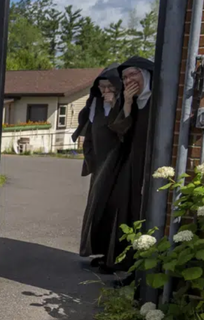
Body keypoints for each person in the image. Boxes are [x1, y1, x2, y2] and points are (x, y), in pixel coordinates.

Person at [101, 56, 154, 277]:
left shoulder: (158, 100)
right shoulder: (131, 102)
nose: (129, 80)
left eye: (133, 74)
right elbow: (121, 131)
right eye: (125, 77)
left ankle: (142, 272)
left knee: (147, 216)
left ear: (146, 75)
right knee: (126, 212)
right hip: (133, 162)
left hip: (150, 166)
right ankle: (126, 265)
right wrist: (128, 104)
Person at [73, 63, 125, 269]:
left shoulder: (122, 104)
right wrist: (89, 159)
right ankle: (97, 251)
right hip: (100, 165)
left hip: (117, 163)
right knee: (96, 208)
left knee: (112, 209)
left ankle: (112, 258)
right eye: (102, 87)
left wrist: (114, 105)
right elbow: (89, 133)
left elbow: (122, 130)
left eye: (109, 87)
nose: (105, 91)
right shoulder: (94, 104)